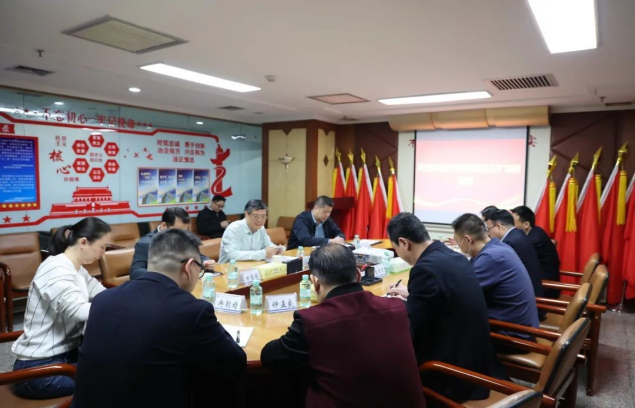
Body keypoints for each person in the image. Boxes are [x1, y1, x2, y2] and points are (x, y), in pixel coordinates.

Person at [72, 229, 246, 408]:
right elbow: (235, 362)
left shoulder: (102, 299)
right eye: (199, 270)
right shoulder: (191, 310)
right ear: (189, 267)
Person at [261, 244, 425, 408]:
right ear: (358, 275)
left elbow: (270, 357)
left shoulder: (312, 321)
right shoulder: (398, 307)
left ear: (315, 282)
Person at [386, 213, 494, 401]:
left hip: (452, 375)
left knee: (385, 358)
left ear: (403, 243)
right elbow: (443, 298)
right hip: (477, 363)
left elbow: (412, 328)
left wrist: (388, 308)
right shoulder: (454, 256)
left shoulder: (424, 270)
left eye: (395, 248)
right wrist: (411, 296)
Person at [11, 217, 112, 399]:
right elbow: (78, 310)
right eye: (102, 247)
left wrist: (125, 299)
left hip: (65, 356)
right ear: (83, 242)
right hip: (39, 370)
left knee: (116, 366)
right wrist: (119, 306)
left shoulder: (77, 269)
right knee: (110, 379)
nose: (103, 253)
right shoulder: (55, 269)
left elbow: (102, 294)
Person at [452, 213, 539, 343]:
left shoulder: (491, 257)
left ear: (468, 240)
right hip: (517, 324)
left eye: (458, 242)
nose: (459, 246)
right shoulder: (498, 247)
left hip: (513, 334)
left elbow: (461, 294)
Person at [482, 208, 546, 319]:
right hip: (530, 296)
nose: (488, 233)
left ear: (499, 227)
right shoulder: (517, 234)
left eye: (488, 229)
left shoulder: (508, 243)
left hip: (524, 306)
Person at [130, 207, 214, 280]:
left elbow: (197, 255)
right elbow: (135, 272)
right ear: (163, 226)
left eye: (185, 231)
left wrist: (205, 262)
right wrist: (162, 274)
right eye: (177, 232)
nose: (181, 236)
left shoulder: (182, 236)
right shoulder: (145, 243)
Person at [511, 205, 561, 298]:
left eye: (513, 223)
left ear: (526, 224)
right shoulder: (536, 231)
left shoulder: (532, 240)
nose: (511, 227)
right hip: (541, 281)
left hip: (545, 289)